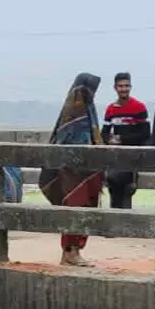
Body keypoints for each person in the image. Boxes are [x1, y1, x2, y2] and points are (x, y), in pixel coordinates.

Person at [39, 73, 105, 266]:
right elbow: (70, 143)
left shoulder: (88, 111)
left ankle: (72, 252)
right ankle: (70, 252)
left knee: (84, 210)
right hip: (72, 174)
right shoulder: (73, 114)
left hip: (85, 172)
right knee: (75, 209)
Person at [101, 72, 150, 209]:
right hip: (116, 157)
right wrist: (109, 140)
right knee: (113, 187)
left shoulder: (139, 107)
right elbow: (104, 133)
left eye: (126, 86)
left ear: (130, 87)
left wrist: (121, 139)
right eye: (121, 86)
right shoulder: (111, 109)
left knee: (125, 189)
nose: (124, 89)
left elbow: (145, 133)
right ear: (115, 88)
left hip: (132, 156)